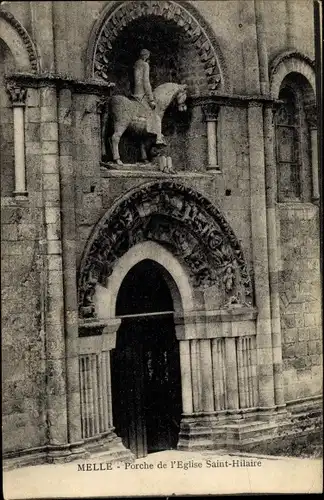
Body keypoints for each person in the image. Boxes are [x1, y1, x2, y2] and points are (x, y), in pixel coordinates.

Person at [132, 49, 166, 146]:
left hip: (134, 93)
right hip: (142, 95)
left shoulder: (136, 64)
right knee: (157, 117)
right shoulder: (145, 65)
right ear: (146, 56)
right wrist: (151, 99)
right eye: (148, 56)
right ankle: (159, 138)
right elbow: (146, 83)